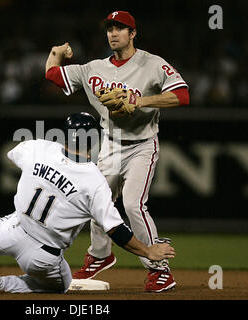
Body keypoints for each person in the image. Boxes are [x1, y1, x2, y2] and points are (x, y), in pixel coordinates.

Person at [0, 112, 175, 293]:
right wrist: (148, 252)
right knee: (60, 286)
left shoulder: (39, 147)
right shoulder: (94, 181)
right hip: (43, 256)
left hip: (13, 228)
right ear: (94, 140)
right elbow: (117, 230)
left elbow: (13, 155)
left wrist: (44, 173)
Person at [45, 10, 189, 292]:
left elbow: (182, 95)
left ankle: (160, 270)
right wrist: (57, 51)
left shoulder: (152, 63)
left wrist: (141, 101)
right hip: (110, 145)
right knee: (96, 201)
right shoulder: (92, 68)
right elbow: (51, 73)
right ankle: (100, 255)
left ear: (132, 33)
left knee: (134, 205)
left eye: (120, 28)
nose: (113, 33)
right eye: (110, 28)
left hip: (142, 146)